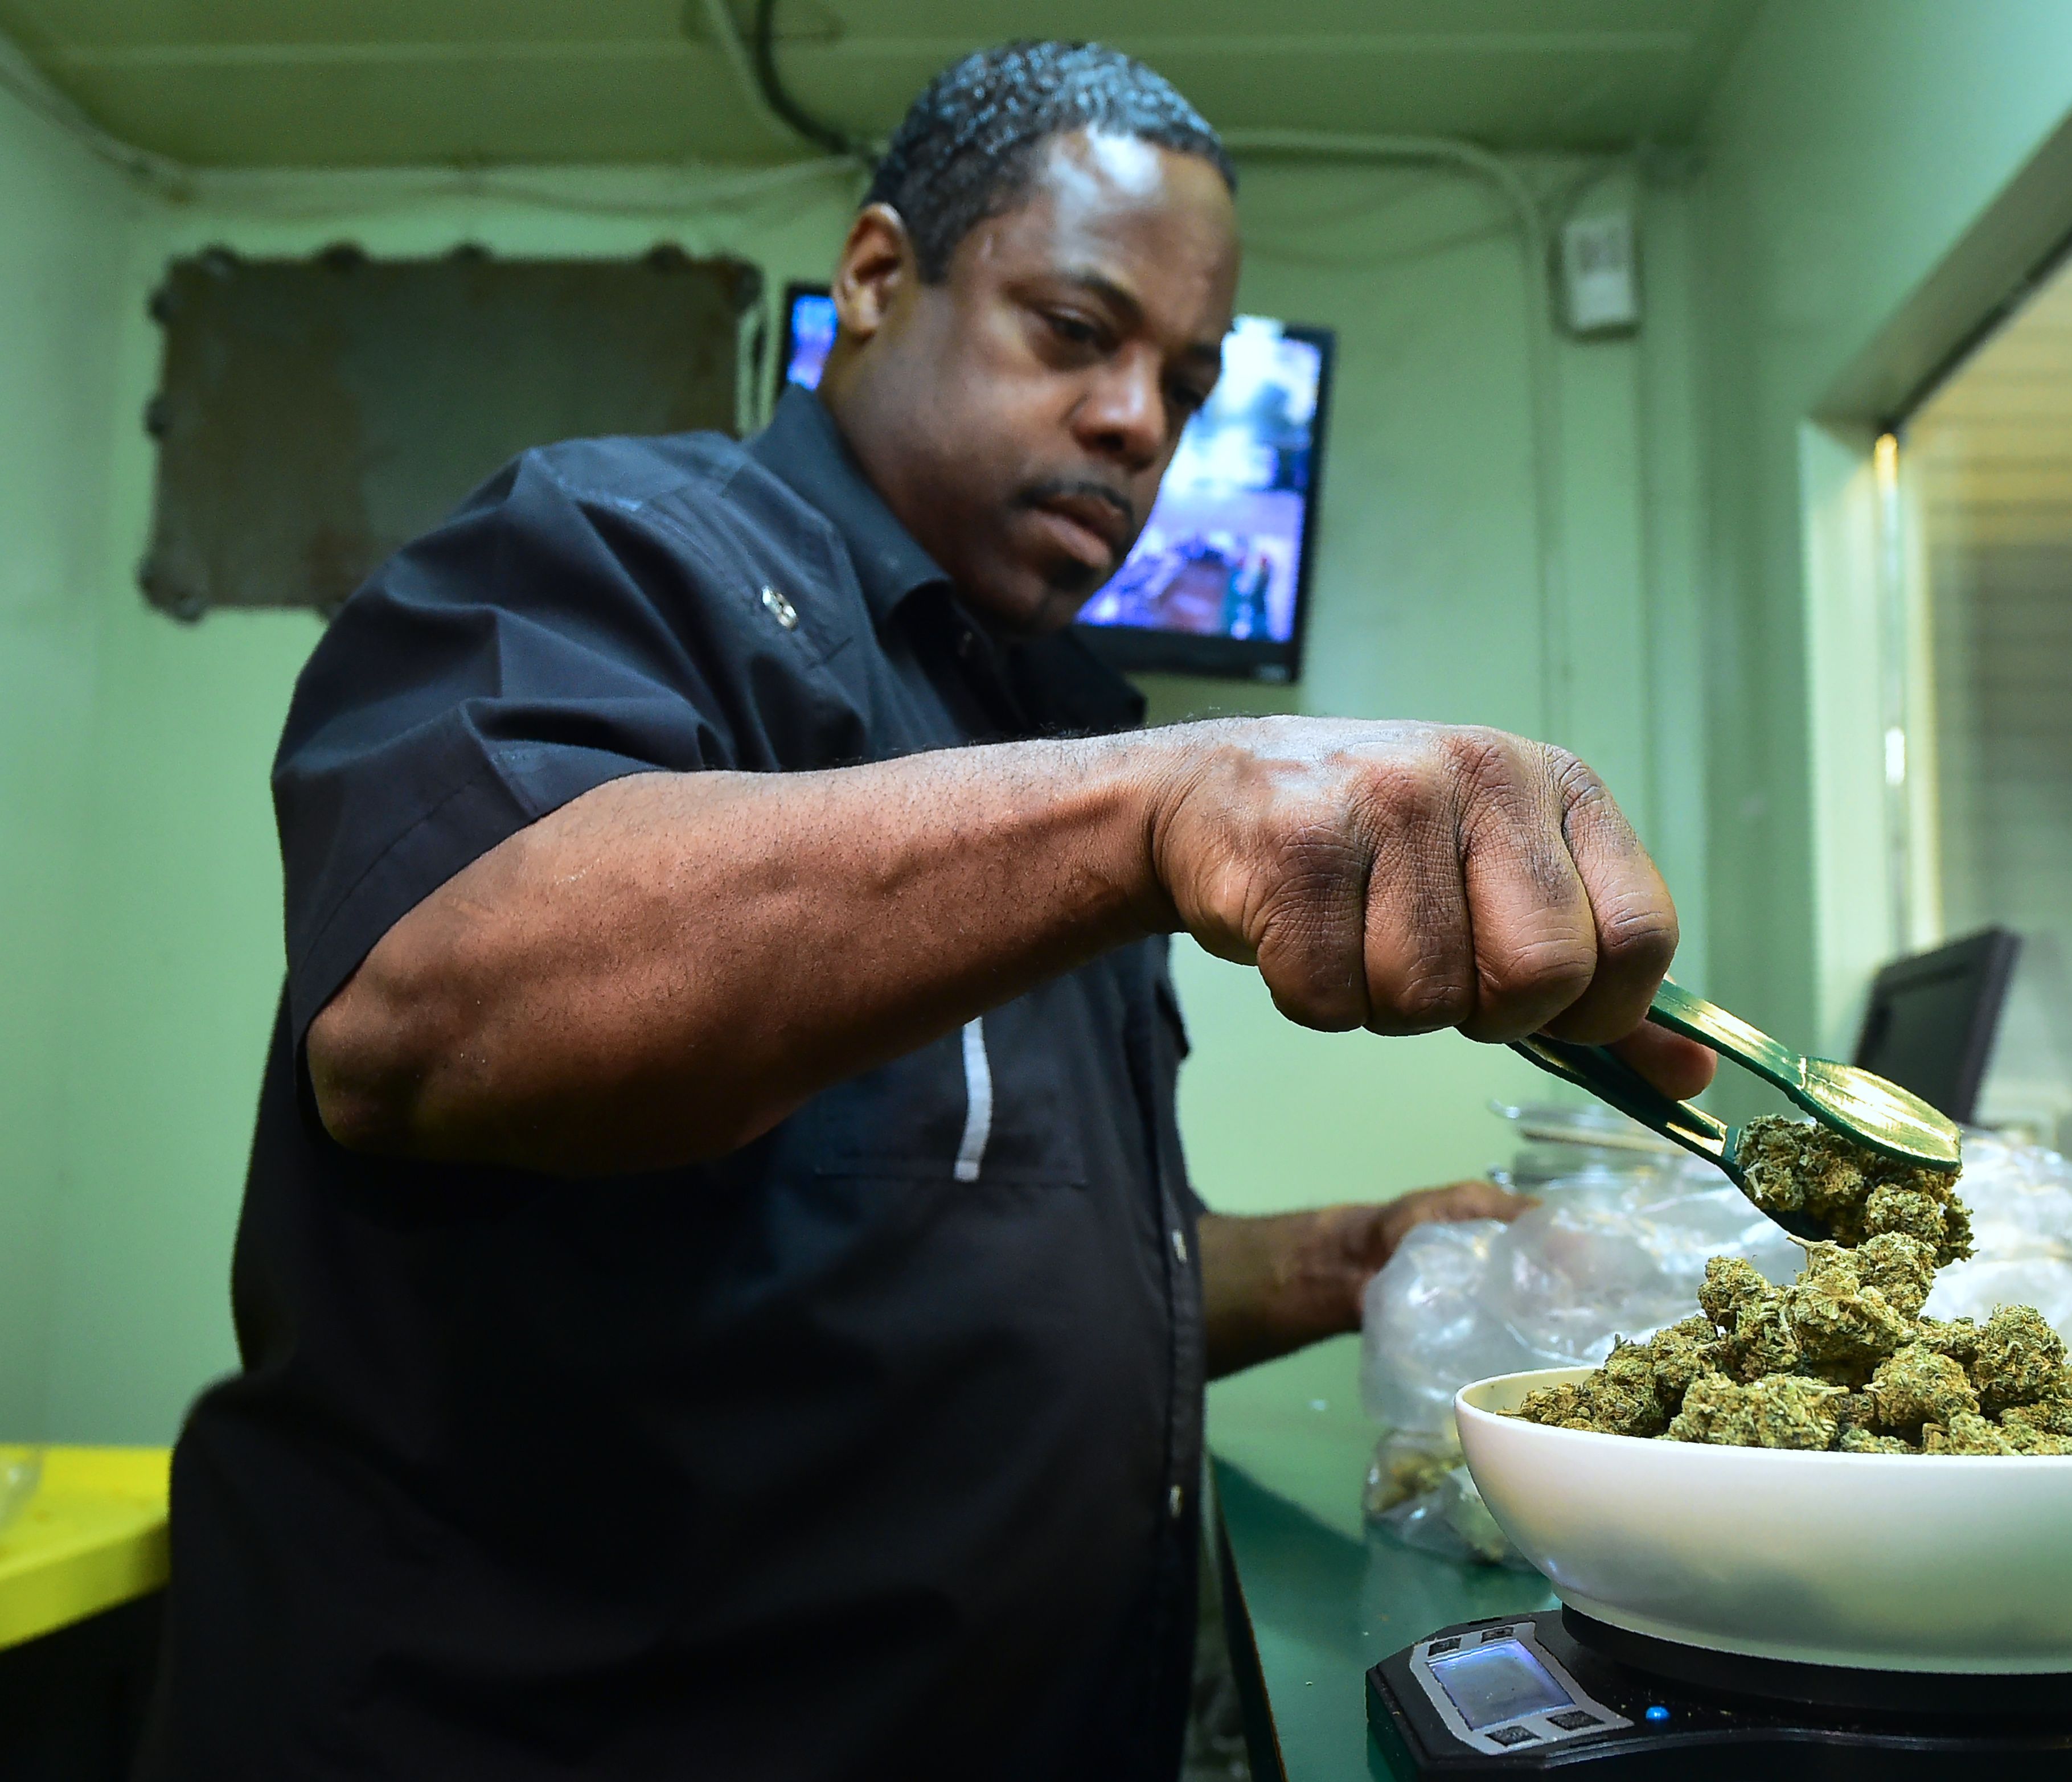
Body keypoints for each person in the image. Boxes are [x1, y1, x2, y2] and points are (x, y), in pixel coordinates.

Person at [139, 39, 1712, 1782]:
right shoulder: (610, 547)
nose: (1140, 425)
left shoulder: (1046, 721)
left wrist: (1382, 1248)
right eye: (1075, 332)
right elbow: (437, 1007)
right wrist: (1172, 798)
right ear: (879, 280)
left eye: (1189, 383)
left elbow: (996, 1251)